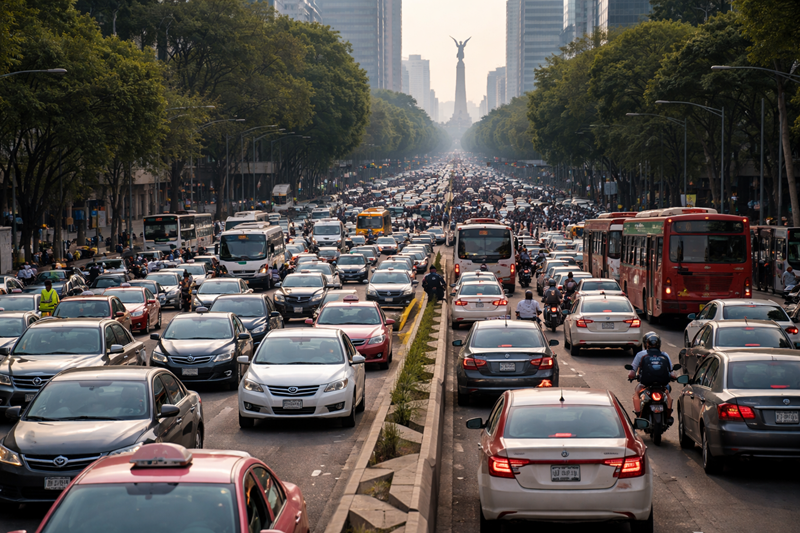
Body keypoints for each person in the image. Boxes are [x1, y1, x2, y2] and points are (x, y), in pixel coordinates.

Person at [627, 332, 677, 418]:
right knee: (668, 394)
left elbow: (632, 373)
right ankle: (668, 414)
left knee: (636, 394)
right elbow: (672, 373)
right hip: (662, 384)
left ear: (646, 344)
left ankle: (638, 414)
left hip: (645, 383)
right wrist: (674, 377)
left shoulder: (640, 354)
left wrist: (632, 376)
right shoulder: (664, 355)